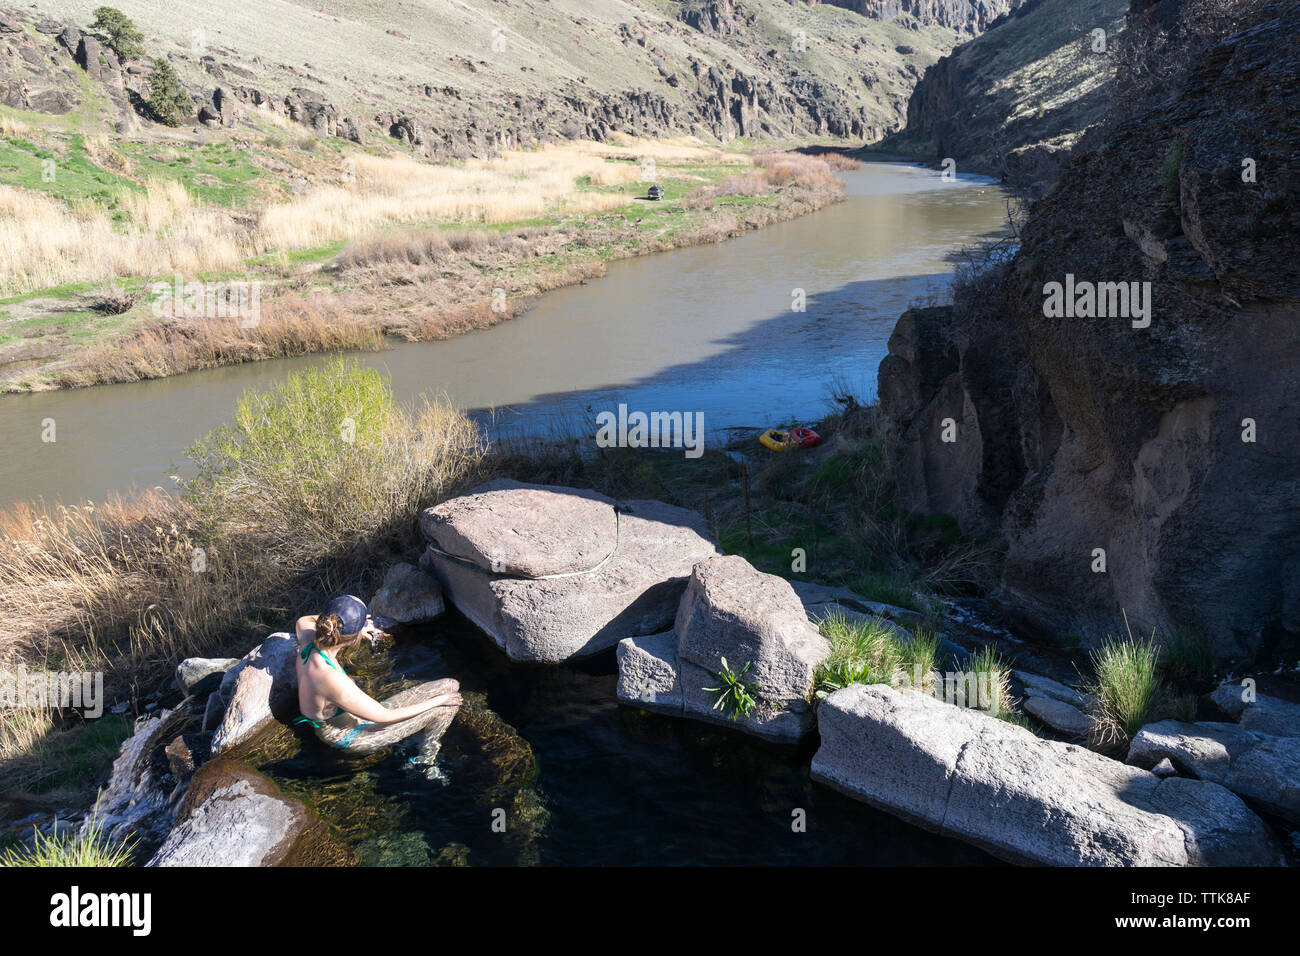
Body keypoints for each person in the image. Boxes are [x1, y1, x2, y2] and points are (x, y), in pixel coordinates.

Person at [293, 594, 462, 756]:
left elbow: (304, 620)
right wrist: (440, 700)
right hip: (349, 737)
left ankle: (416, 735)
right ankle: (425, 757)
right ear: (352, 639)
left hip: (355, 719)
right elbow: (384, 716)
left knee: (450, 685)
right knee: (447, 706)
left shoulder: (308, 639)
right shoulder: (332, 680)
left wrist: (353, 628)